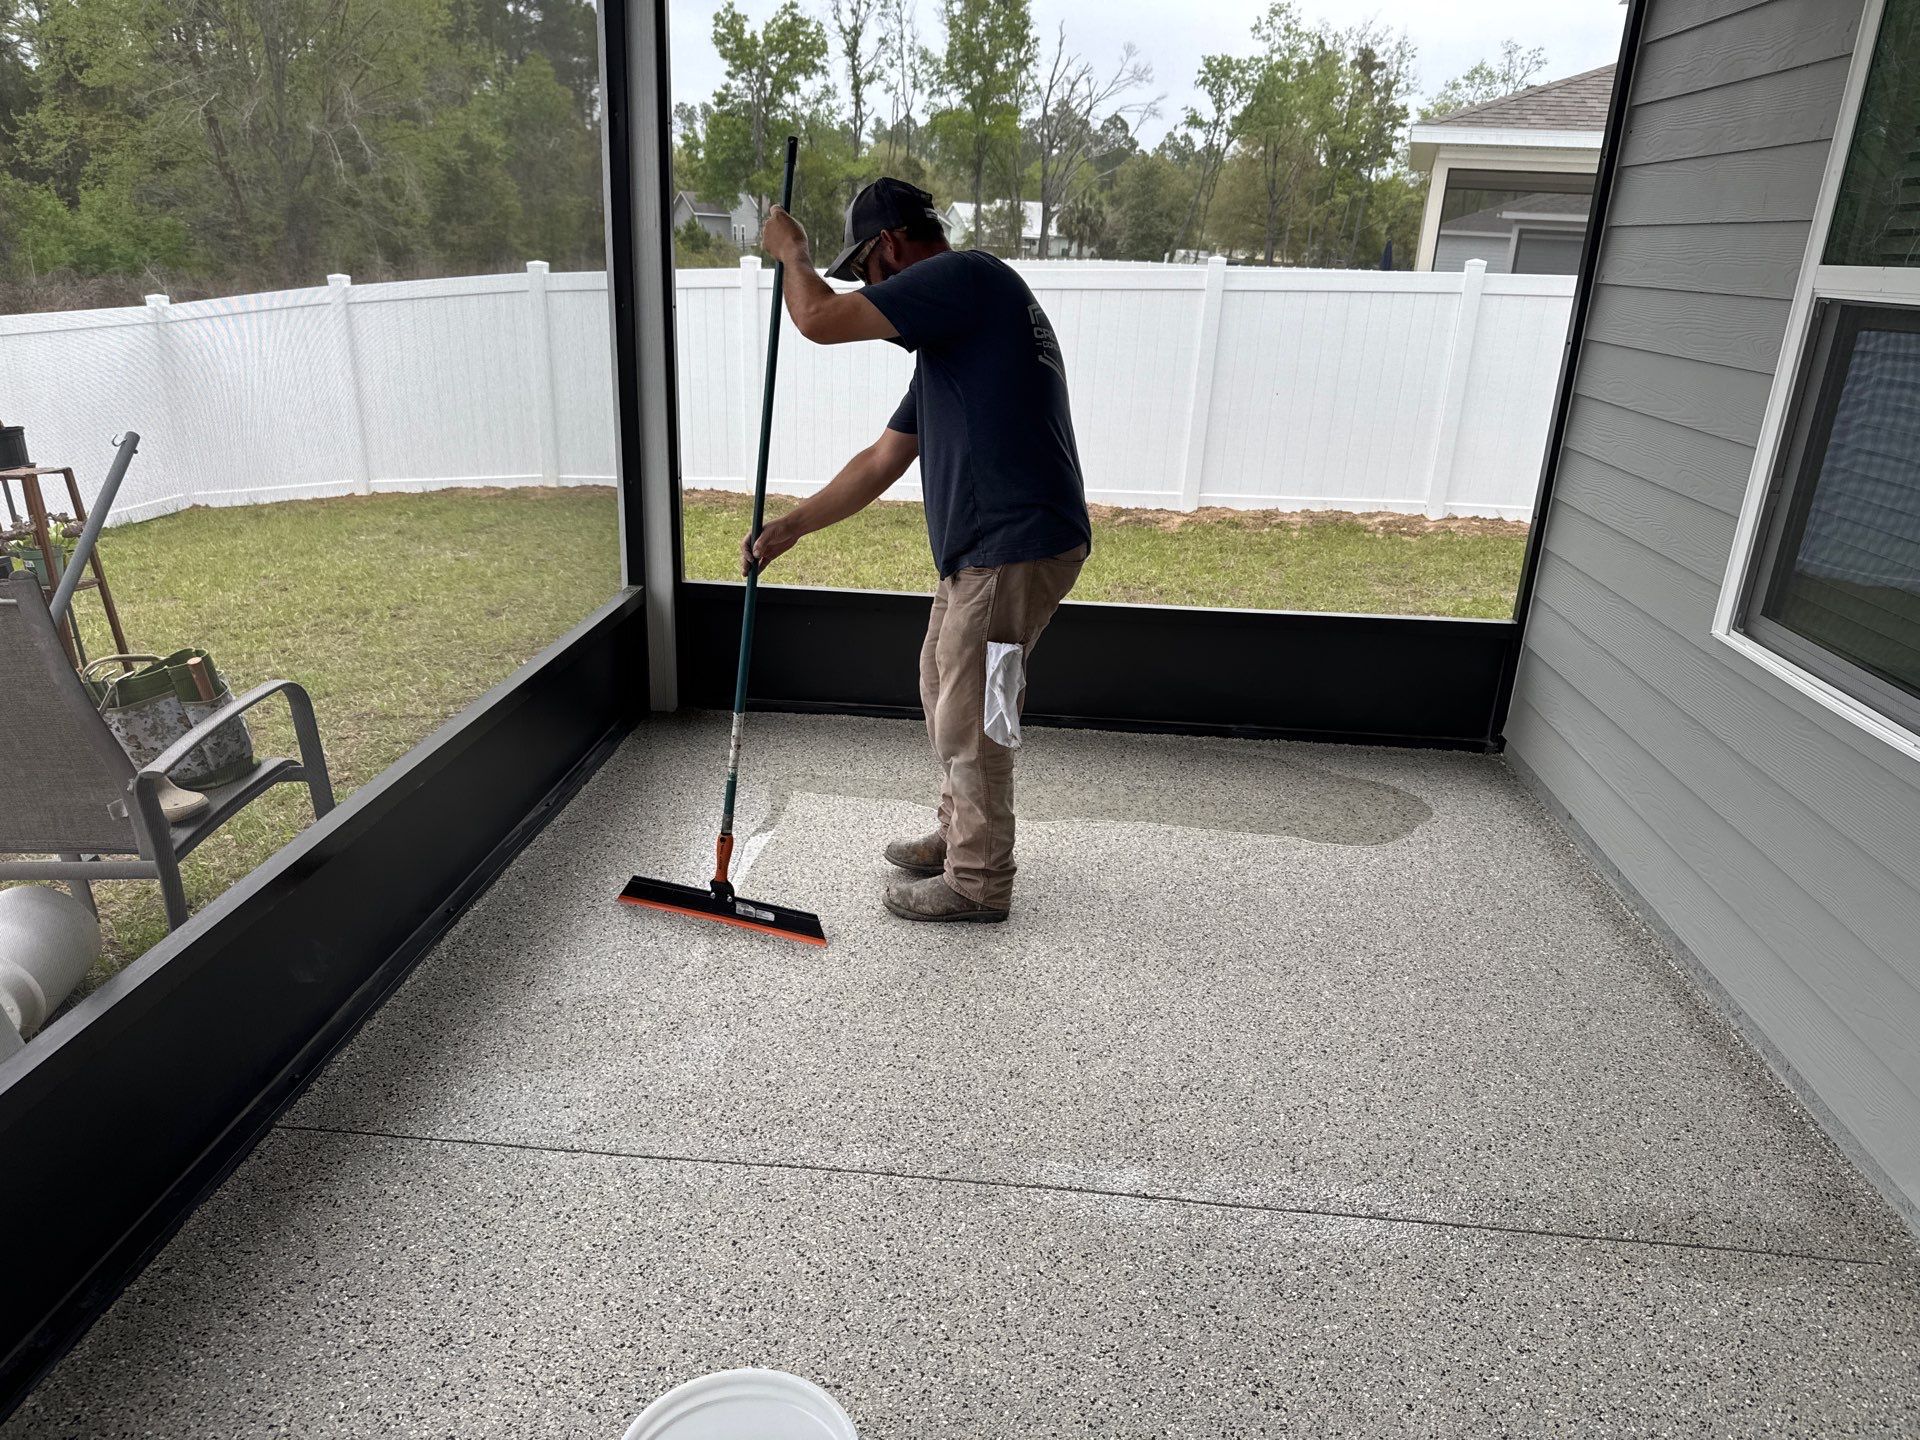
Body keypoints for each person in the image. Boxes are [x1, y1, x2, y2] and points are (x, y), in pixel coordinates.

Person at [748, 177, 1092, 925]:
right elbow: (882, 460)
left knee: (973, 711)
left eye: (865, 271)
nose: (870, 291)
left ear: (891, 246)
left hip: (1009, 544)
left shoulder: (964, 277)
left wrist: (792, 254)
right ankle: (959, 828)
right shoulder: (952, 341)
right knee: (945, 684)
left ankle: (978, 880)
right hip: (991, 546)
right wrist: (792, 526)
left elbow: (815, 318)